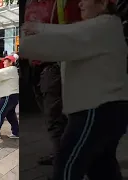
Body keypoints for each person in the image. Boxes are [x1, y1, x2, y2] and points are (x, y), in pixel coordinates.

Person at [20, 0, 128, 179]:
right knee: (102, 168)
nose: (80, 4)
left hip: (95, 111)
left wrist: (35, 30)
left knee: (67, 165)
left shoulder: (105, 25)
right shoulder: (106, 28)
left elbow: (59, 40)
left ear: (102, 4)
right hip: (106, 110)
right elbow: (68, 35)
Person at [24, 0, 82, 166]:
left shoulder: (62, 2)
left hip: (53, 65)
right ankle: (62, 153)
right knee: (52, 117)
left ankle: (64, 165)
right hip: (34, 66)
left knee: (54, 118)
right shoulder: (29, 3)